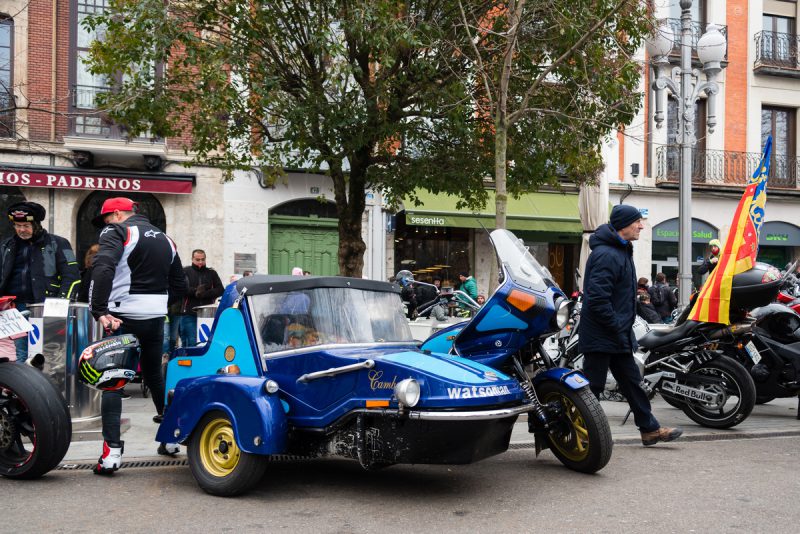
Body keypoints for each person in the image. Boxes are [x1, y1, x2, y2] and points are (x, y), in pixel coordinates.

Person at [89, 197, 187, 474]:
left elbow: (103, 266)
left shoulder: (117, 231)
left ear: (118, 214)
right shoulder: (167, 240)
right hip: (155, 317)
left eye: (106, 219)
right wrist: (159, 306)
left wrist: (98, 309)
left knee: (113, 380)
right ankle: (169, 441)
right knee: (155, 374)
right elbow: (181, 284)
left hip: (121, 316)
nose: (105, 226)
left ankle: (112, 454)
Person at [578, 204, 682, 447]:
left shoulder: (621, 250)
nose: (642, 226)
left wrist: (622, 328)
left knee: (633, 383)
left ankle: (650, 430)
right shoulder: (607, 254)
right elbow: (597, 299)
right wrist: (617, 325)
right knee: (592, 388)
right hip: (603, 334)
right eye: (638, 222)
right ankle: (582, 436)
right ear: (624, 224)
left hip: (616, 334)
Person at [0, 201, 81, 362]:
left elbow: (72, 276)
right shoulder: (6, 245)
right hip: (13, 309)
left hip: (45, 307)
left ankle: (44, 386)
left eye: (26, 225)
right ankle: (21, 386)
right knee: (19, 353)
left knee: (47, 354)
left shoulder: (58, 243)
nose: (21, 229)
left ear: (36, 224)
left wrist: (60, 303)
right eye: (17, 225)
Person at [175, 249, 224, 348]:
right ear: (192, 259)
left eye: (203, 259)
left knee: (206, 343)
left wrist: (205, 294)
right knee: (191, 343)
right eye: (198, 259)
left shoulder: (211, 273)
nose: (200, 262)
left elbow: (220, 289)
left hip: (207, 314)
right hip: (189, 313)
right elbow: (180, 289)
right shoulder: (185, 271)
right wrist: (195, 291)